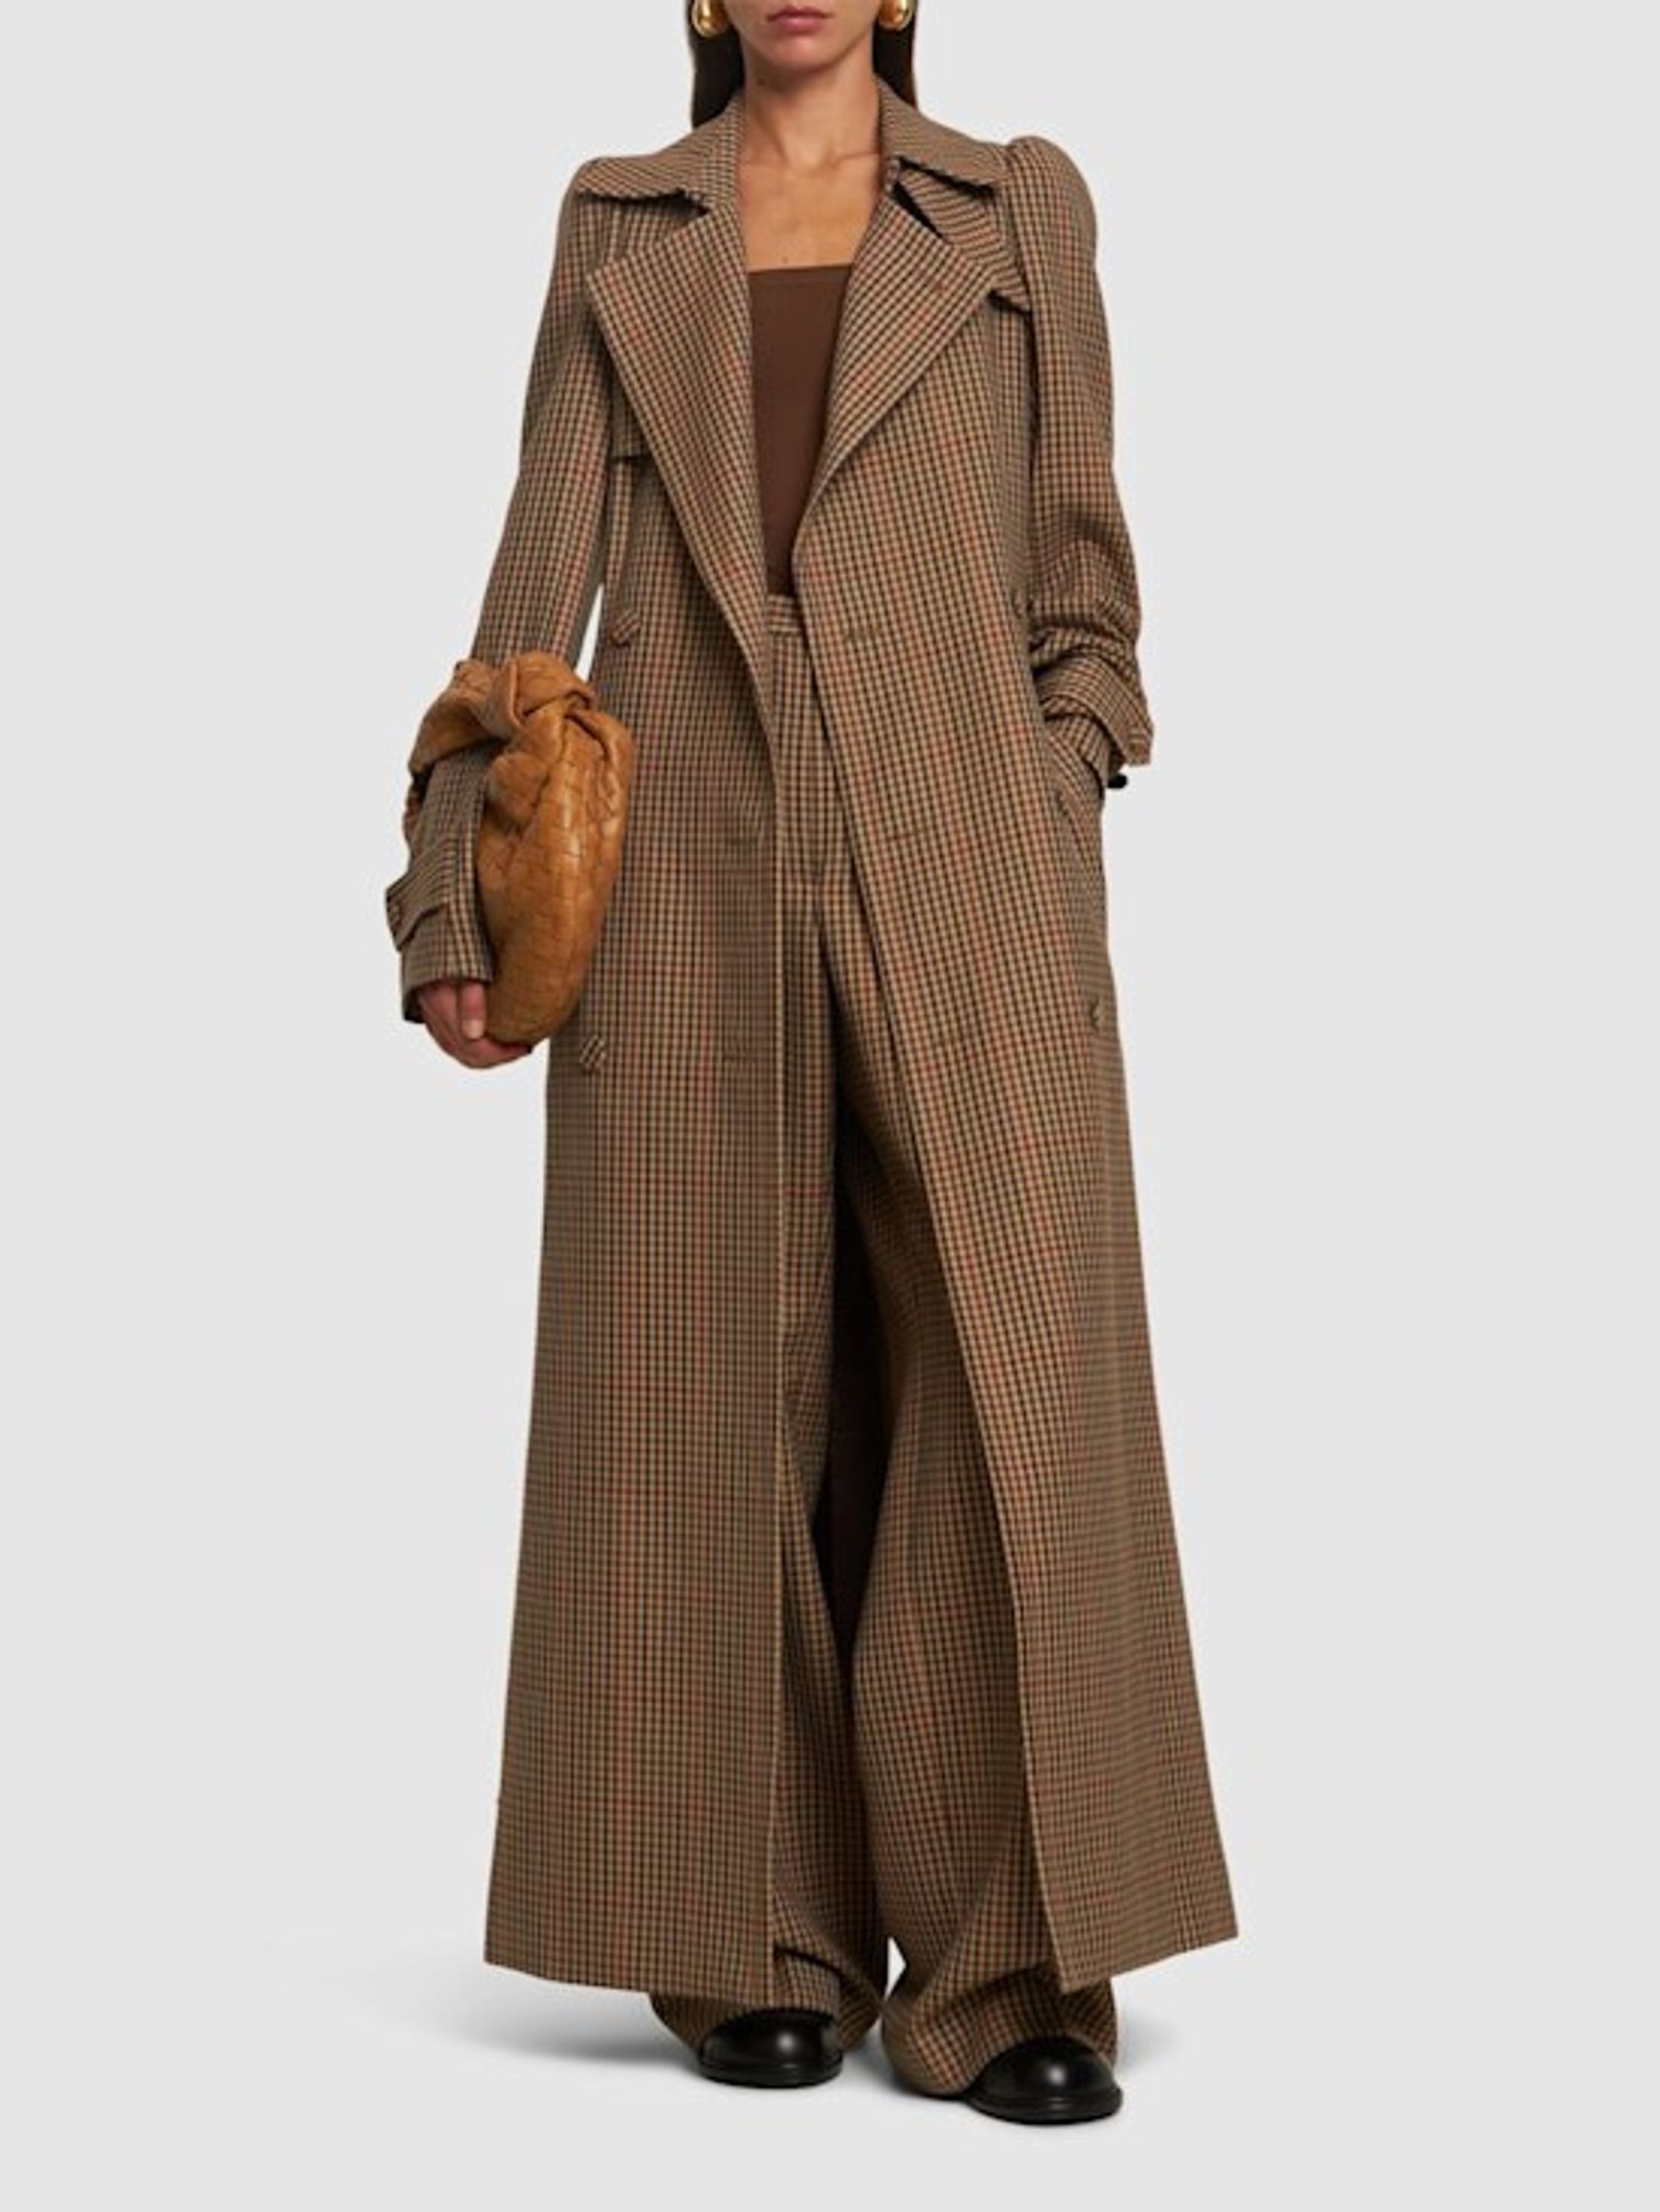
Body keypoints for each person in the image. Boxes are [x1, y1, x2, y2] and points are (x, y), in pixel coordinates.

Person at [384, 0, 1238, 2125]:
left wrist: (1053, 785)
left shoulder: (1012, 209)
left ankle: (1004, 1968)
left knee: (994, 1378)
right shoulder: (620, 227)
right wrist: (447, 897)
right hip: (682, 860)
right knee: (703, 1387)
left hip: (968, 854)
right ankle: (748, 1936)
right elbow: (531, 599)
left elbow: (1083, 576)